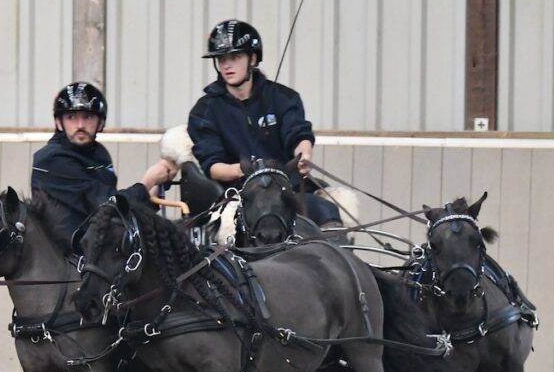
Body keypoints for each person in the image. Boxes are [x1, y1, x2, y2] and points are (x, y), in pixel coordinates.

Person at [186, 19, 342, 226]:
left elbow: (298, 134)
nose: (226, 65)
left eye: (235, 57)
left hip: (287, 190)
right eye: (221, 59)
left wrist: (304, 155)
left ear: (252, 58)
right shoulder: (204, 111)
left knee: (325, 209)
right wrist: (248, 171)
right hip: (238, 196)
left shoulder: (284, 98)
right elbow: (213, 166)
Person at [32, 81, 178, 239]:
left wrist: (154, 194)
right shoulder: (52, 159)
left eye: (87, 117)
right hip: (64, 249)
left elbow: (115, 211)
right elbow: (105, 206)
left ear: (100, 122)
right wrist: (147, 182)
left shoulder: (99, 153)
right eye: (71, 117)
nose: (80, 125)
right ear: (59, 123)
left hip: (97, 243)